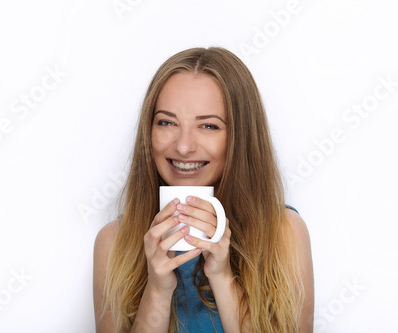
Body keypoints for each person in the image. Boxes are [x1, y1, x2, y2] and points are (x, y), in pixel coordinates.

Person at [93, 47, 314, 333]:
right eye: (167, 122)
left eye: (209, 126)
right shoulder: (114, 241)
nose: (183, 146)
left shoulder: (283, 231)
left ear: (239, 137)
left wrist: (222, 277)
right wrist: (157, 291)